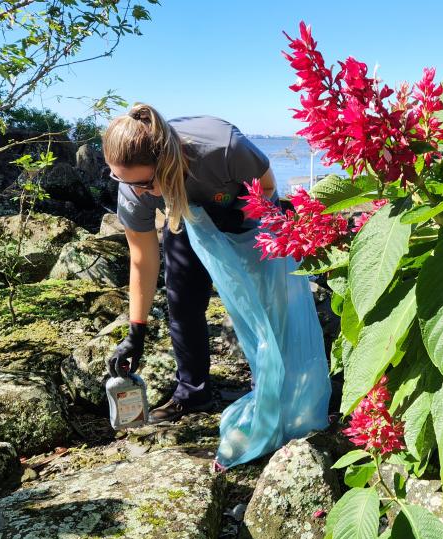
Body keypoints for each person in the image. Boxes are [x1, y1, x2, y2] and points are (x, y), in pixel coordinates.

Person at [102, 104, 331, 468]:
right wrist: (136, 330)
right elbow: (142, 256)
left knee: (269, 307)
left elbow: (269, 186)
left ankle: (287, 390)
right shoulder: (134, 187)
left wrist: (237, 214)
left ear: (164, 161)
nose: (139, 193)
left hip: (248, 217)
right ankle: (193, 392)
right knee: (182, 301)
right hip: (187, 216)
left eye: (144, 183)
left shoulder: (220, 146)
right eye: (125, 182)